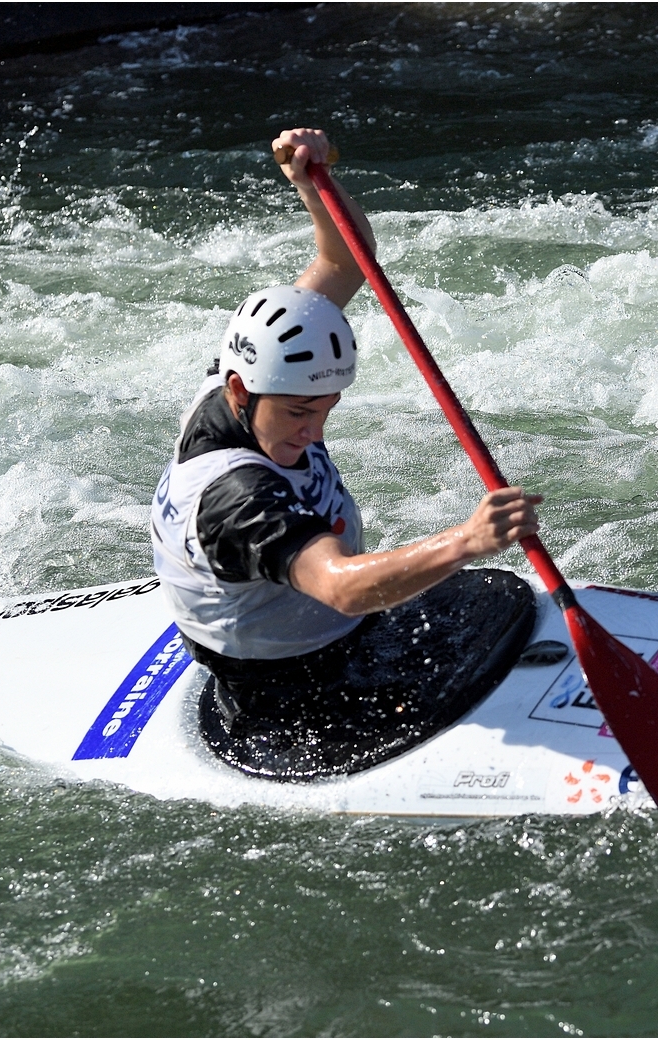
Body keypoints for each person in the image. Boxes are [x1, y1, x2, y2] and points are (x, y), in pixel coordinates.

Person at [150, 128, 542, 737]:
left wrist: (312, 185)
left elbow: (345, 263)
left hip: (335, 639)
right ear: (240, 391)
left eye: (326, 409)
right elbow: (340, 588)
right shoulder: (239, 502)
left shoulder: (244, 379)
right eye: (298, 413)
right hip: (292, 693)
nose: (313, 432)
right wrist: (466, 540)